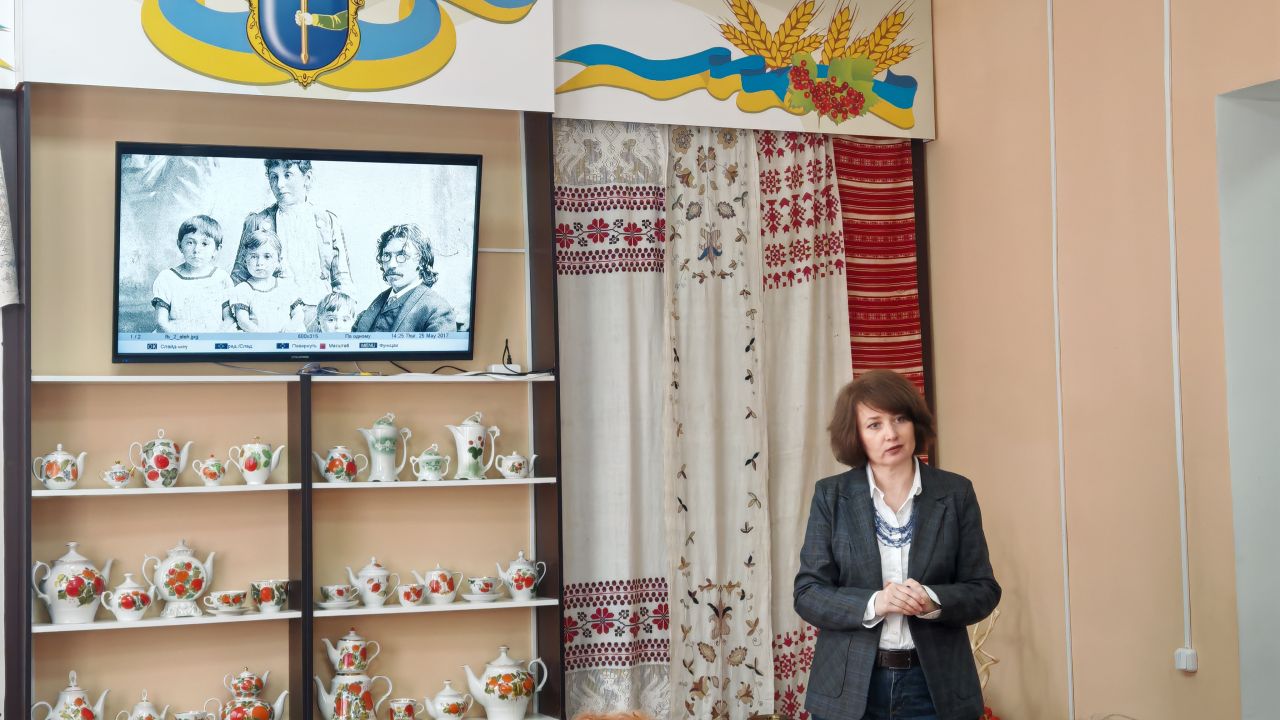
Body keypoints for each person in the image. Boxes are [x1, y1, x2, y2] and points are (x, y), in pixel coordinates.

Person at [794, 370, 1000, 720]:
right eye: (874, 424)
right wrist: (876, 602)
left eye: (900, 419)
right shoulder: (831, 495)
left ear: (915, 423)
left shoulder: (956, 493)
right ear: (855, 435)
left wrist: (932, 601)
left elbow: (984, 589)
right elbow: (808, 593)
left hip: (935, 688)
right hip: (849, 688)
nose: (891, 433)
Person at [234, 159, 353, 328]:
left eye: (288, 175)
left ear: (307, 178)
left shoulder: (327, 221)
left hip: (321, 313)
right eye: (274, 177)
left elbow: (342, 277)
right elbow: (239, 275)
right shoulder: (258, 222)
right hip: (276, 315)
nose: (279, 184)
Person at [353, 223, 457, 333]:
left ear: (421, 261)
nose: (391, 264)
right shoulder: (377, 304)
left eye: (402, 255)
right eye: (387, 255)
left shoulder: (437, 311)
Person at [151, 215, 233, 333]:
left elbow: (228, 319)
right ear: (180, 245)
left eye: (204, 244)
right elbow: (161, 322)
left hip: (213, 336)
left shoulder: (221, 278)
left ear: (217, 249)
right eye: (190, 242)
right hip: (176, 336)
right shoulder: (167, 278)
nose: (196, 250)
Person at [227, 230, 306, 333]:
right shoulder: (243, 290)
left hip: (285, 338)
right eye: (253, 256)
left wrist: (291, 327)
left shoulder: (286, 286)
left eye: (267, 256)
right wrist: (260, 335)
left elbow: (299, 314)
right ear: (245, 260)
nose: (260, 263)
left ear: (278, 260)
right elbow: (243, 320)